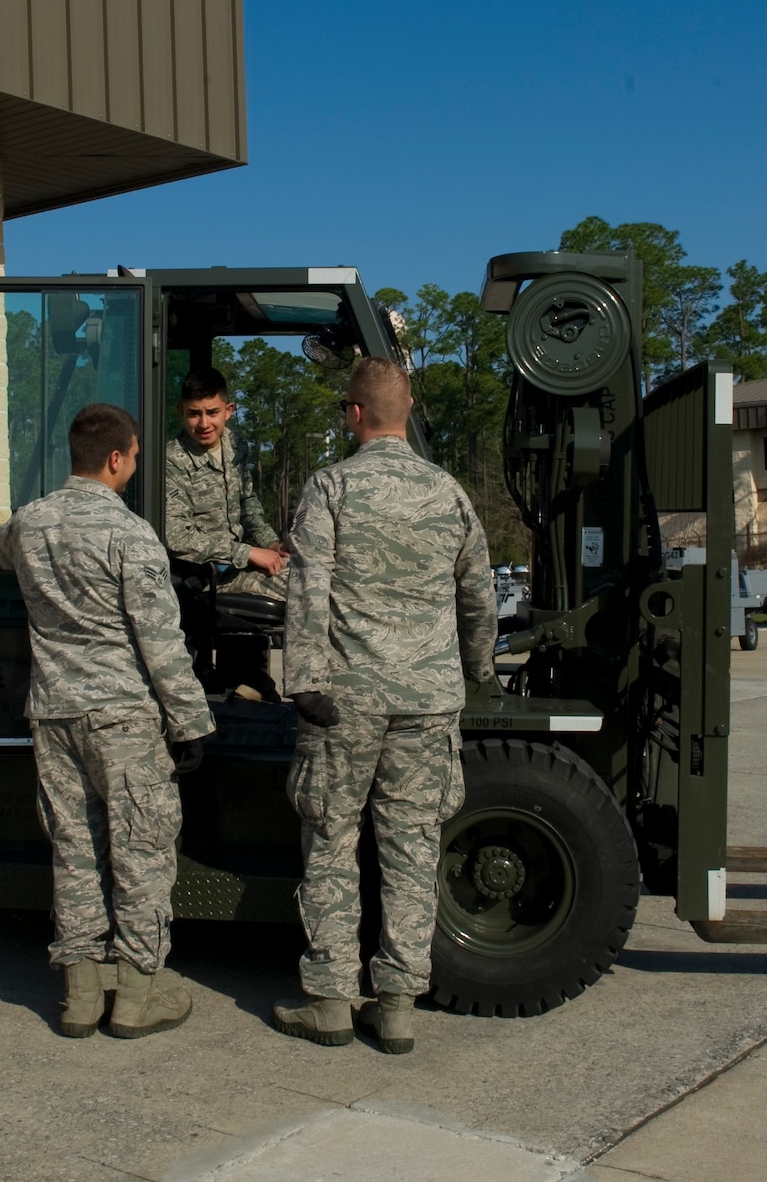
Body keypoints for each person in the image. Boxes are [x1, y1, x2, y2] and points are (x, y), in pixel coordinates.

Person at [269, 358, 497, 1055]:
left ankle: (332, 1000)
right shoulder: (448, 492)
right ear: (407, 410)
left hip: (347, 700)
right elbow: (479, 594)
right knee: (411, 845)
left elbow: (307, 590)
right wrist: (478, 670)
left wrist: (305, 681)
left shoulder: (330, 487)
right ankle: (397, 1003)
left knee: (333, 840)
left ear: (355, 414)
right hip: (427, 701)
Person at [0, 403, 215, 1040]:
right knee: (141, 856)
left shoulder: (29, 524)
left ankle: (81, 998)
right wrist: (191, 723)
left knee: (75, 852)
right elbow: (160, 640)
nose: (135, 466)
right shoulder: (131, 535)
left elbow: (1, 549)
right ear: (117, 458)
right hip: (123, 721)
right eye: (136, 457)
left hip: (55, 715)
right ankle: (138, 996)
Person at [165, 366, 286, 599]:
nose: (203, 423)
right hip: (203, 579)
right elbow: (177, 538)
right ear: (180, 411)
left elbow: (247, 501)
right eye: (193, 413)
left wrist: (271, 543)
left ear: (228, 411)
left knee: (317, 575)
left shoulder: (235, 443)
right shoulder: (172, 460)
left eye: (212, 412)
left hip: (237, 567)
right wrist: (247, 552)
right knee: (307, 590)